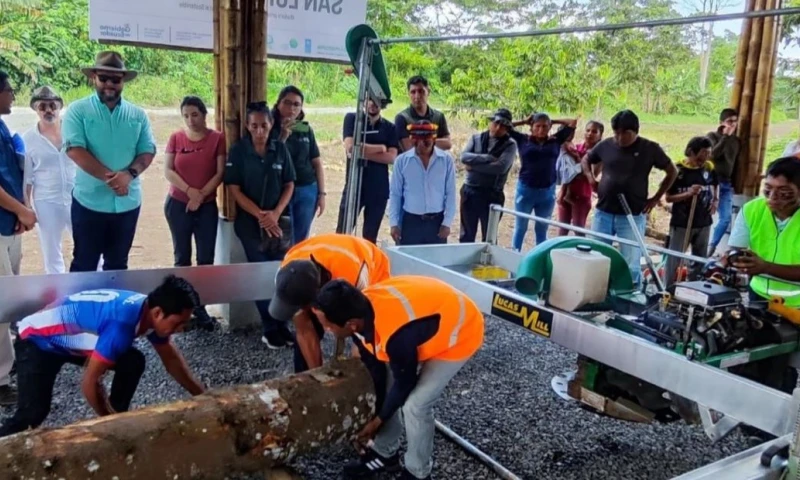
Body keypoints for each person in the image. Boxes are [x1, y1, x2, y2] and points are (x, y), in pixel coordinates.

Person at [312, 276, 485, 480]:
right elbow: (376, 368)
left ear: (351, 324)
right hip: (426, 322)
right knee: (387, 388)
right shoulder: (359, 313)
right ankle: (385, 453)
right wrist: (376, 416)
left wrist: (377, 422)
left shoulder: (395, 334)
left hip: (460, 330)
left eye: (329, 326)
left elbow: (405, 383)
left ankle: (418, 473)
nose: (327, 330)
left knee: (415, 405)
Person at [0, 275, 206, 438]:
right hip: (36, 340)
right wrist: (110, 424)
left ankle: (117, 414)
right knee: (32, 414)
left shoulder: (149, 310)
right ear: (158, 313)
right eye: (178, 323)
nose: (181, 329)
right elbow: (89, 383)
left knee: (133, 361)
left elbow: (172, 361)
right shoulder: (121, 326)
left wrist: (203, 396)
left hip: (71, 339)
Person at [62, 51, 157, 272]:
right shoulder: (77, 111)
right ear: (93, 78)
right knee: (84, 264)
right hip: (89, 203)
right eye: (103, 78)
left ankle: (112, 298)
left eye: (115, 80)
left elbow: (147, 151)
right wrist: (114, 180)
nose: (109, 84)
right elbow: (75, 150)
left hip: (128, 204)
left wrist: (129, 175)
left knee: (118, 265)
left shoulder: (138, 115)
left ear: (123, 81)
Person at [225, 101, 296, 349]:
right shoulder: (238, 151)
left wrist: (275, 214)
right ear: (247, 125)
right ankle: (269, 328)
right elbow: (234, 189)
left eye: (264, 125)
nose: (259, 131)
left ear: (271, 124)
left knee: (280, 275)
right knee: (260, 275)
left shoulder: (280, 148)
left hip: (277, 224)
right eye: (254, 126)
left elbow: (289, 183)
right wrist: (261, 215)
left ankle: (282, 324)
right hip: (250, 225)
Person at [266, 233, 391, 373]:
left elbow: (361, 325)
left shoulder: (353, 278)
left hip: (370, 267)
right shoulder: (286, 275)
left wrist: (358, 360)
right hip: (323, 266)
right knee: (305, 346)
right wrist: (317, 376)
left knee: (366, 347)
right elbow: (304, 331)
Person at [581, 109, 678, 287]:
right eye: (616, 133)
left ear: (635, 131)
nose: (620, 138)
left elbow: (672, 171)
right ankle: (595, 289)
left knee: (631, 260)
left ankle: (631, 292)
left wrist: (656, 197)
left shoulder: (650, 148)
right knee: (596, 254)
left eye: (625, 133)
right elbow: (586, 159)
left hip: (632, 214)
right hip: (603, 212)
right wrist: (590, 179)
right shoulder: (606, 145)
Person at [163, 96, 225, 330]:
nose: (191, 120)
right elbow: (168, 170)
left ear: (204, 114)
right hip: (178, 204)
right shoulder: (176, 138)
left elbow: (220, 173)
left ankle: (201, 307)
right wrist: (190, 192)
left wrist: (201, 196)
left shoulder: (217, 138)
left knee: (205, 259)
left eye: (195, 115)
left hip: (206, 206)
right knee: (182, 257)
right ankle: (181, 308)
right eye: (186, 116)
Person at [0, 71, 34, 406]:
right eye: (9, 90)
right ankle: (0, 379)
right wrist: (21, 211)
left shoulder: (2, 128)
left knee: (9, 299)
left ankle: (7, 365)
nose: (12, 95)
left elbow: (12, 173)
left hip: (9, 223)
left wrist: (20, 212)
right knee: (1, 301)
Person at [727, 157, 800, 305]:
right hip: (758, 294)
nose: (772, 197)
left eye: (784, 191)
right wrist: (733, 259)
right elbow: (737, 249)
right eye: (768, 189)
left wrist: (766, 267)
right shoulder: (751, 209)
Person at [22, 86, 75, 275]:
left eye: (52, 105)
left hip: (78, 198)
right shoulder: (28, 139)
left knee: (88, 245)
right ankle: (57, 287)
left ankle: (93, 285)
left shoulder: (73, 132)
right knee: (51, 252)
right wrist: (27, 207)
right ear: (36, 109)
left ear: (60, 107)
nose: (48, 110)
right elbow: (27, 178)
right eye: (42, 106)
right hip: (46, 201)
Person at [508, 113, 577, 250]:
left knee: (542, 228)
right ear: (532, 127)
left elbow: (572, 122)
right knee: (521, 227)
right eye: (537, 126)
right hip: (526, 190)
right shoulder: (523, 139)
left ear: (550, 127)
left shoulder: (556, 140)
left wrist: (553, 120)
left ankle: (540, 258)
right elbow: (506, 126)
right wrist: (524, 121)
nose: (541, 129)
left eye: (545, 126)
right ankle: (514, 256)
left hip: (547, 192)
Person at [336, 98, 399, 243]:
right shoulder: (352, 119)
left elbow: (391, 157)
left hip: (378, 190)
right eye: (370, 99)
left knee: (370, 237)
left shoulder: (390, 127)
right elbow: (350, 148)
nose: (373, 104)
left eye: (377, 100)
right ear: (364, 100)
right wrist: (380, 148)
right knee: (342, 233)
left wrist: (361, 151)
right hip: (354, 185)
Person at [388, 120, 456, 246]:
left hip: (437, 222)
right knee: (409, 257)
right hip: (410, 222)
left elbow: (451, 193)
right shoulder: (401, 161)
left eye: (425, 142)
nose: (420, 145)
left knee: (436, 257)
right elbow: (395, 194)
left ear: (433, 140)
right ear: (412, 140)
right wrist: (394, 223)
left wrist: (447, 223)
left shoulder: (446, 161)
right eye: (417, 142)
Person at [272, 86, 325, 244]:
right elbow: (271, 160)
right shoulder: (269, 127)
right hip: (280, 190)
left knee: (301, 238)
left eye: (296, 104)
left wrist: (322, 194)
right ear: (278, 104)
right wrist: (283, 137)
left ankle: (298, 259)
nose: (292, 108)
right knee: (281, 237)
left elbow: (317, 163)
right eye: (287, 103)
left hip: (306, 188)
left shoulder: (304, 128)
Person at [664, 137, 718, 287]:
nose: (706, 157)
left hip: (704, 222)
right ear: (691, 152)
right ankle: (667, 289)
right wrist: (688, 193)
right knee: (674, 258)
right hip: (682, 222)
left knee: (699, 259)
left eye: (708, 153)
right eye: (703, 153)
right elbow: (668, 198)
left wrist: (715, 200)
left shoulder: (709, 168)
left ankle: (693, 288)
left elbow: (715, 184)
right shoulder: (678, 170)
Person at [458, 108, 517, 243]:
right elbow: (464, 157)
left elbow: (500, 168)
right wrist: (488, 158)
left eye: (503, 126)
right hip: (470, 190)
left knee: (489, 236)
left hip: (492, 193)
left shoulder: (510, 145)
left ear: (507, 128)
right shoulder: (476, 138)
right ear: (491, 123)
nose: (498, 128)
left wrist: (473, 166)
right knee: (466, 234)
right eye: (496, 123)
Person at [557, 121, 604, 236]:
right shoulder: (576, 148)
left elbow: (590, 176)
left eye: (594, 132)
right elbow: (566, 171)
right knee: (562, 229)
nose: (590, 134)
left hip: (582, 196)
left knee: (578, 230)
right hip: (566, 193)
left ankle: (581, 248)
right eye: (588, 130)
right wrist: (562, 191)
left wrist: (577, 165)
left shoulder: (600, 155)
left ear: (600, 135)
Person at [707, 108, 740, 256]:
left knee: (725, 218)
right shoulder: (712, 136)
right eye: (729, 121)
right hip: (712, 182)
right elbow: (712, 155)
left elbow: (735, 164)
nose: (732, 124)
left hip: (726, 183)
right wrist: (725, 137)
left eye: (735, 121)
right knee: (705, 215)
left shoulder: (736, 141)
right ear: (721, 123)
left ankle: (711, 247)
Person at [394, 76, 452, 152]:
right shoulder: (402, 118)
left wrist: (420, 141)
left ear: (428, 92)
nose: (417, 96)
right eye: (413, 92)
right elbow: (409, 148)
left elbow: (448, 144)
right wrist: (432, 141)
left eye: (421, 91)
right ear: (408, 94)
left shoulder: (438, 116)